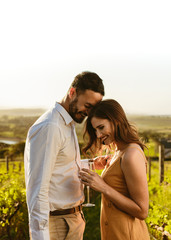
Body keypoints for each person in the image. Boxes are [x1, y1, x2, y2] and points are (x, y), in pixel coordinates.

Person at [24, 71, 105, 240]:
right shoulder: (50, 127)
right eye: (87, 106)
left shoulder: (67, 122)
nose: (88, 113)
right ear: (72, 92)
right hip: (57, 225)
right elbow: (37, 191)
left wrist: (91, 164)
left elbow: (59, 166)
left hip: (71, 221)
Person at [79, 99, 150, 240]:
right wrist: (93, 164)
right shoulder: (119, 151)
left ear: (116, 121)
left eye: (101, 127)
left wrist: (103, 187)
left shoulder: (131, 155)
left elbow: (142, 211)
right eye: (95, 130)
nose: (98, 135)